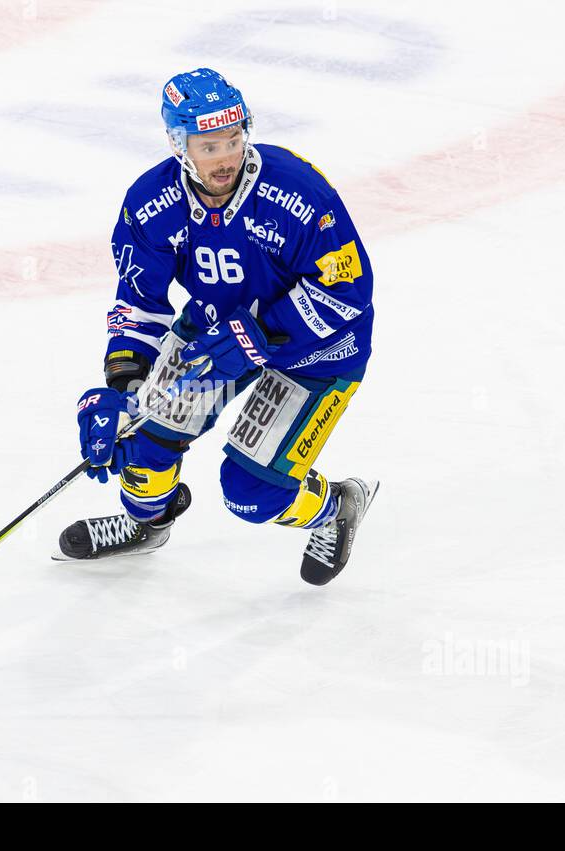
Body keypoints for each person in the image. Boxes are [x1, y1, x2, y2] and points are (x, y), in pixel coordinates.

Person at [56, 68, 378, 585]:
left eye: (233, 139)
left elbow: (347, 294)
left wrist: (258, 336)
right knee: (139, 441)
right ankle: (148, 524)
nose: (225, 156)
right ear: (179, 146)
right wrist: (123, 386)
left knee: (251, 498)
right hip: (214, 328)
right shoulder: (150, 203)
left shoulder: (298, 192)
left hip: (317, 352)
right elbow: (140, 301)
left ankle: (337, 506)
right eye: (209, 146)